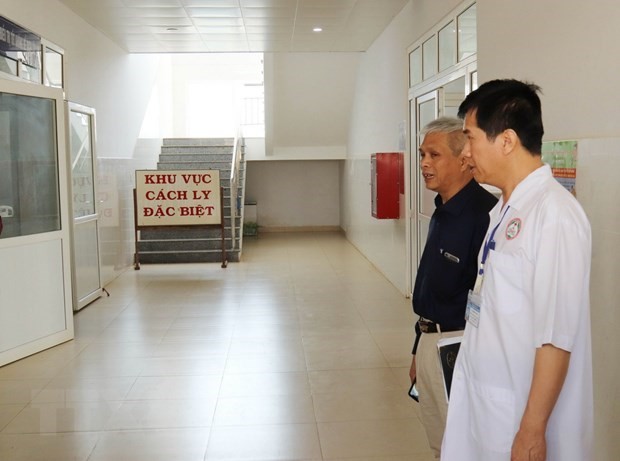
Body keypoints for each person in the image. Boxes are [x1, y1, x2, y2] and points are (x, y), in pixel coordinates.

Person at [441, 79, 593, 461]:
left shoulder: (554, 215)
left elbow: (556, 336)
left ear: (506, 141)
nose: (465, 154)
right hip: (488, 401)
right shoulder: (504, 209)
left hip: (520, 417)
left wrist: (532, 429)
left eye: (470, 138)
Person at [410, 117, 497, 459]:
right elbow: (431, 289)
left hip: (461, 350)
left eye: (434, 155)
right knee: (441, 443)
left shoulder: (484, 217)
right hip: (431, 342)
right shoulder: (441, 210)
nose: (424, 163)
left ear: (464, 159)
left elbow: (488, 300)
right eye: (422, 155)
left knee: (464, 445)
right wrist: (418, 347)